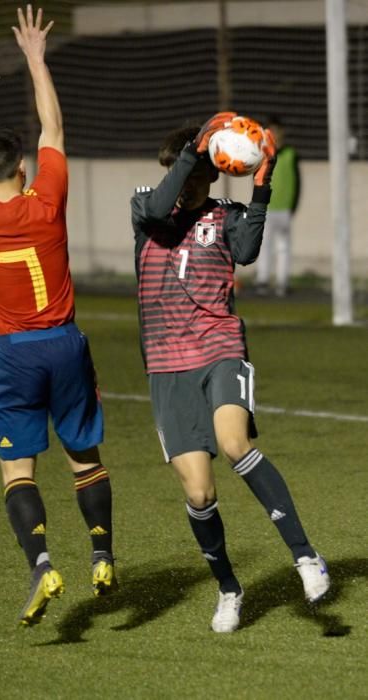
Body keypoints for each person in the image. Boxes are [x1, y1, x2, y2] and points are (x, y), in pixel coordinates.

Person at [0, 5, 117, 627]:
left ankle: (42, 563)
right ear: (21, 169)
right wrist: (39, 61)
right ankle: (102, 555)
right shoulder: (46, 201)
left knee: (17, 466)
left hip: (15, 353)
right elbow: (54, 129)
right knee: (85, 454)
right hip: (67, 344)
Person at [130, 112, 329, 633]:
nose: (183, 182)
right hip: (167, 365)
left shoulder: (227, 215)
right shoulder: (146, 209)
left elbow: (246, 251)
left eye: (195, 172)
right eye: (178, 170)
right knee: (199, 494)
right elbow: (156, 203)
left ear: (214, 174)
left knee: (235, 443)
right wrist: (193, 149)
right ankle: (228, 590)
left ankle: (305, 557)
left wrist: (261, 189)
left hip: (219, 347)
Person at [255, 115, 300, 297]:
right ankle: (263, 279)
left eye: (277, 130)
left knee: (283, 247)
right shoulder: (262, 153)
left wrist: (294, 204)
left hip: (284, 208)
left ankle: (282, 282)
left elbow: (297, 181)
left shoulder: (291, 154)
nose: (275, 134)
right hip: (266, 207)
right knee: (264, 245)